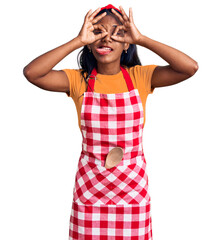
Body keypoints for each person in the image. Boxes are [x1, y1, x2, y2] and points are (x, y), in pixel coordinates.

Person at [23, 4, 198, 240]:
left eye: (116, 32)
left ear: (126, 42)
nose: (106, 39)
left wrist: (141, 38)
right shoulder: (78, 81)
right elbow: (32, 73)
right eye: (98, 32)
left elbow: (189, 67)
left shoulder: (140, 77)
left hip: (132, 192)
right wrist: (77, 40)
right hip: (90, 193)